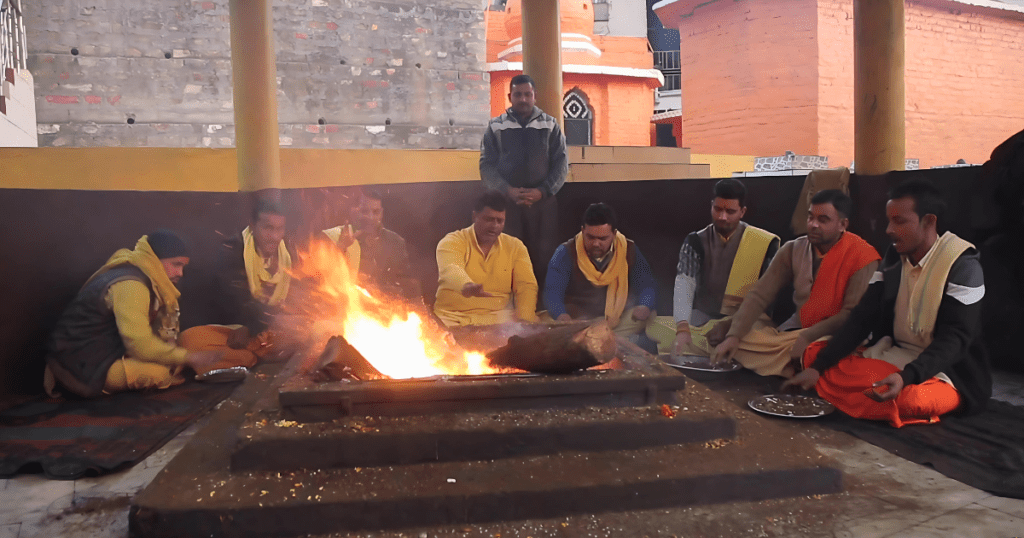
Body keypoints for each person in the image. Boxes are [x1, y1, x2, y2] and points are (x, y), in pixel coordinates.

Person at [783, 180, 991, 427]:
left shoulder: (963, 265)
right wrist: (818, 367)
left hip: (944, 372)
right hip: (892, 358)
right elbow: (863, 317)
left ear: (929, 222)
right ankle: (862, 397)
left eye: (899, 221)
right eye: (889, 220)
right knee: (814, 353)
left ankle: (872, 399)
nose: (889, 230)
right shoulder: (895, 256)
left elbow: (955, 339)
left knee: (909, 399)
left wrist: (907, 378)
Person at [711, 190, 881, 377]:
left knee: (816, 353)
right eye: (810, 217)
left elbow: (851, 315)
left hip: (835, 336)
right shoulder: (793, 249)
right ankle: (783, 361)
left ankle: (791, 362)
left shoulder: (863, 257)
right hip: (794, 332)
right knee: (733, 335)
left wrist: (807, 336)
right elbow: (760, 294)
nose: (813, 225)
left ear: (842, 224)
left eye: (823, 220)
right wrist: (734, 335)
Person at [43, 230, 225, 398]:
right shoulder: (131, 285)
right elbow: (140, 344)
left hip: (110, 354)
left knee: (177, 361)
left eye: (183, 266)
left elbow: (159, 333)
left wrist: (177, 353)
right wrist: (188, 357)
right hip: (80, 366)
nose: (180, 273)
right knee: (159, 375)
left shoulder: (151, 280)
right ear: (153, 259)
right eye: (175, 265)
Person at [657, 178, 780, 355]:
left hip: (748, 323)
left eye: (730, 211)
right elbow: (685, 283)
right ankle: (716, 350)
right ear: (711, 206)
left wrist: (731, 327)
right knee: (655, 326)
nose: (723, 217)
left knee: (766, 340)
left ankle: (705, 349)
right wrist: (683, 328)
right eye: (718, 209)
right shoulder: (696, 240)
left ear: (742, 212)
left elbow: (768, 296)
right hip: (705, 320)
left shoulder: (765, 243)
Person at [480, 74, 568, 282]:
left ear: (534, 96)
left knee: (544, 254)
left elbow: (561, 163)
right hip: (507, 203)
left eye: (527, 94)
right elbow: (486, 165)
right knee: (507, 253)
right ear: (510, 96)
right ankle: (511, 301)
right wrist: (506, 190)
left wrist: (542, 191)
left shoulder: (550, 125)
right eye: (518, 95)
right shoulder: (496, 127)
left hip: (543, 203)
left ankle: (540, 304)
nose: (523, 99)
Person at [198, 200, 295, 364]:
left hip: (272, 329)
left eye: (280, 229)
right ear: (252, 226)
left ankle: (256, 356)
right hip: (235, 330)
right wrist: (253, 326)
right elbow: (235, 300)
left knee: (312, 330)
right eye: (268, 228)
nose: (275, 237)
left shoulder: (288, 252)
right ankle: (255, 356)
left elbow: (296, 297)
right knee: (193, 341)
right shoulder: (232, 250)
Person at [544, 203, 658, 342]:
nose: (596, 244)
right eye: (590, 237)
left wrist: (644, 305)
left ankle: (602, 340)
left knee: (651, 320)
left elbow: (647, 285)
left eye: (603, 239)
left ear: (614, 234)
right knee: (545, 323)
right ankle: (608, 340)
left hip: (617, 321)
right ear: (582, 230)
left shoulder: (629, 249)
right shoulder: (565, 252)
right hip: (579, 322)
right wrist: (561, 316)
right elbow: (552, 292)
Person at [433, 191, 539, 326]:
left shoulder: (515, 246)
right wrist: (466, 285)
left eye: (500, 221)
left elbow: (526, 285)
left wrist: (526, 322)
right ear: (474, 216)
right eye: (489, 219)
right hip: (453, 318)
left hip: (498, 320)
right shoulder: (452, 241)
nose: (494, 226)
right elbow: (451, 269)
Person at [322, 189, 421, 300]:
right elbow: (321, 280)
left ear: (381, 213)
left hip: (382, 310)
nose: (370, 217)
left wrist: (383, 293)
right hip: (342, 307)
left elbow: (405, 282)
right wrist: (341, 247)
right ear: (353, 211)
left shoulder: (395, 242)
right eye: (364, 211)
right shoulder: (332, 237)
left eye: (375, 212)